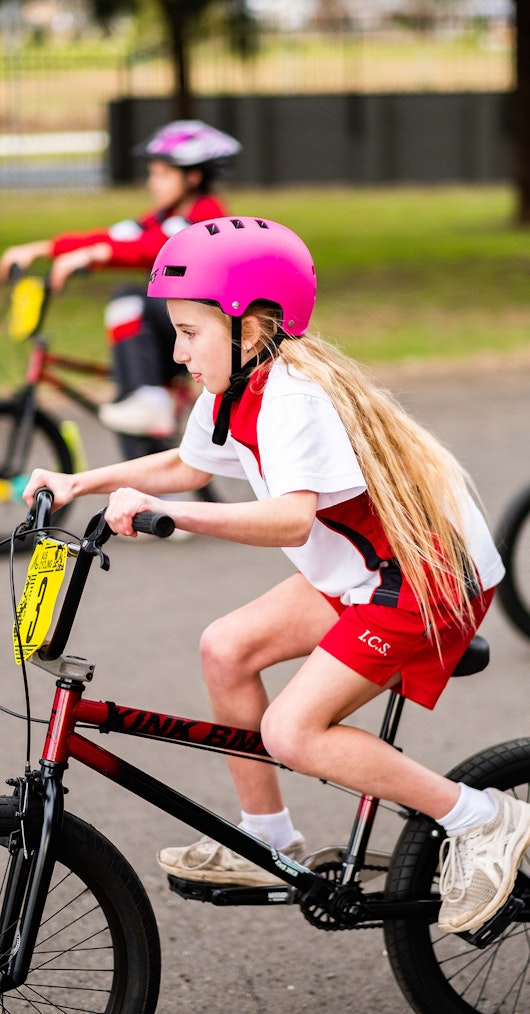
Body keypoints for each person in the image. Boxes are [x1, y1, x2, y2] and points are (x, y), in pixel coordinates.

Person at [23, 216, 530, 936]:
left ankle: (486, 817)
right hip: (364, 570)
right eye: (174, 330)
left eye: (190, 333)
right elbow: (187, 465)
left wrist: (176, 517)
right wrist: (82, 479)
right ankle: (267, 840)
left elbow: (291, 519)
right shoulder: (236, 386)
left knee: (293, 731)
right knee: (225, 647)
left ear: (251, 327)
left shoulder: (294, 396)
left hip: (421, 577)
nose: (176, 351)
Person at [0, 119, 242, 459]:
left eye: (161, 174)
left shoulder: (207, 217)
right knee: (127, 403)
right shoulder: (164, 214)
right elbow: (117, 236)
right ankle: (147, 483)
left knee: (129, 299)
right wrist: (43, 249)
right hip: (174, 329)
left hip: (210, 329)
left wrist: (97, 255)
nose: (151, 182)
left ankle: (150, 402)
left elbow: (154, 247)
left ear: (193, 177)